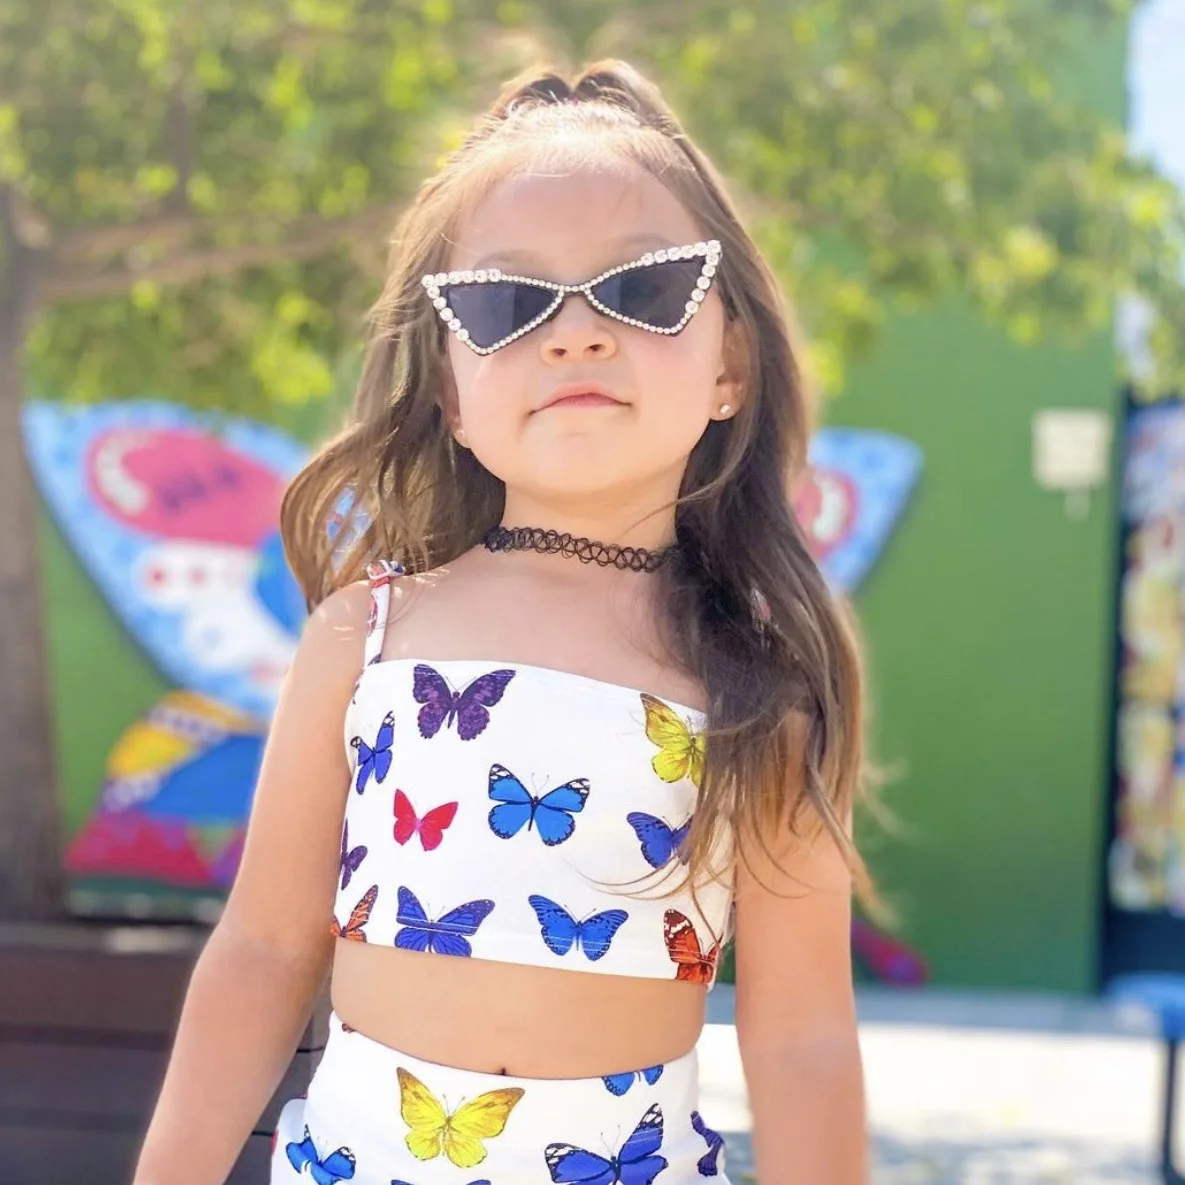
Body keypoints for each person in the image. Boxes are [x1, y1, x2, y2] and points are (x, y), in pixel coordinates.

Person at [133, 58, 872, 1185]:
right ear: (449, 392)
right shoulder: (365, 637)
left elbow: (802, 1036)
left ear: (731, 360)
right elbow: (265, 947)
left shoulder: (757, 685)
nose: (574, 335)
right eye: (503, 303)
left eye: (643, 289)